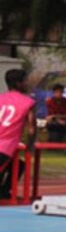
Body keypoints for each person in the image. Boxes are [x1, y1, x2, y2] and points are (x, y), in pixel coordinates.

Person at [0, 69, 37, 200]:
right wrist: (30, 146)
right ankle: (4, 192)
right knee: (13, 163)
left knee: (18, 164)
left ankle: (3, 192)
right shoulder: (28, 101)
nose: (27, 84)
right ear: (18, 83)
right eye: (25, 81)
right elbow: (32, 128)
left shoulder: (1, 98)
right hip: (5, 147)